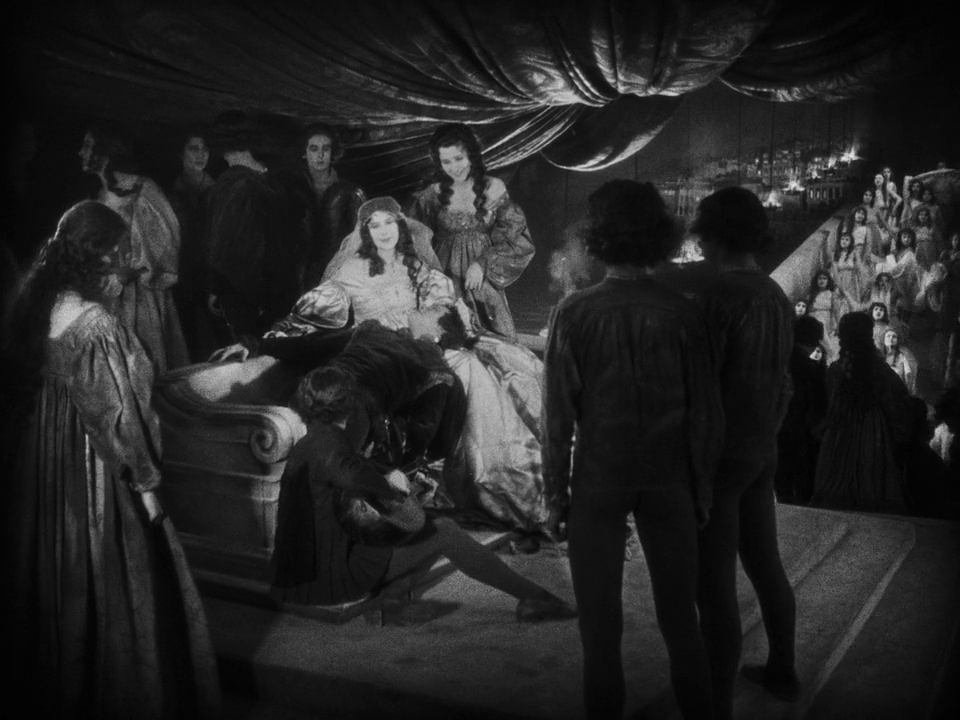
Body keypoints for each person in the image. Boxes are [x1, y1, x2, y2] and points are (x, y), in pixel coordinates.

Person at [0, 201, 220, 718]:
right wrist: (146, 487)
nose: (125, 261)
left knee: (53, 569)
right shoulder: (95, 323)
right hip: (93, 464)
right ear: (98, 255)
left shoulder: (38, 302)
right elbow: (118, 417)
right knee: (113, 570)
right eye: (120, 251)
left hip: (42, 460)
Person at [542, 179, 722, 720]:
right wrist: (702, 489)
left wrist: (555, 496)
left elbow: (558, 418)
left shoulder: (573, 312)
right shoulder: (683, 311)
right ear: (659, 234)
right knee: (681, 622)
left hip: (598, 478)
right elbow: (705, 414)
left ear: (597, 236)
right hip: (669, 478)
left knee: (599, 631)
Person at [270, 319, 578, 624]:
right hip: (328, 580)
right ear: (350, 410)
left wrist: (384, 482)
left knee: (422, 533)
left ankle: (392, 601)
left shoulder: (314, 443)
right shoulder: (337, 455)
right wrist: (394, 486)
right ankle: (536, 597)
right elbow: (409, 516)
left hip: (302, 574)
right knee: (442, 531)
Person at [685, 187, 798, 718]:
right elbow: (784, 382)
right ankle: (783, 671)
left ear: (715, 235)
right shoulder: (774, 294)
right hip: (761, 449)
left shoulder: (717, 297)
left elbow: (700, 388)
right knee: (765, 564)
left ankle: (716, 708)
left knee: (714, 588)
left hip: (721, 456)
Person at [79, 126, 189, 374]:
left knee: (146, 363)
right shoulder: (98, 194)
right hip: (106, 290)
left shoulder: (142, 188)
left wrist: (136, 269)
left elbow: (167, 237)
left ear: (105, 151)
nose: (80, 153)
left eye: (87, 146)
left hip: (141, 293)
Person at [408, 123, 534, 339]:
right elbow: (416, 241)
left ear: (472, 155)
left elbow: (516, 238)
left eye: (459, 158)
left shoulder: (493, 188)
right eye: (446, 161)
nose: (454, 167)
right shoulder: (431, 195)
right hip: (444, 279)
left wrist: (482, 263)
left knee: (491, 340)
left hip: (482, 280)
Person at [202, 110, 298, 344]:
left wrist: (215, 287)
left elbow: (224, 246)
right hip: (280, 288)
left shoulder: (231, 184)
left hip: (245, 291)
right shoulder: (272, 178)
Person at [812, 312, 913, 512]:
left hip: (841, 429)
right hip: (871, 430)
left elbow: (826, 404)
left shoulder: (837, 370)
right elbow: (897, 400)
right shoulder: (879, 370)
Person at [287, 122, 366, 292]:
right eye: (314, 149)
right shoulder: (293, 188)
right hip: (299, 271)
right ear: (304, 153)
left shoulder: (349, 192)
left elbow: (361, 238)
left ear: (333, 153)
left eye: (326, 149)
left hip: (338, 271)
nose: (320, 155)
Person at [167, 130, 216, 361]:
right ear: (181, 153)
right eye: (193, 149)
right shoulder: (170, 194)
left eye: (205, 149)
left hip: (212, 272)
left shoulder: (217, 190)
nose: (200, 155)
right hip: (183, 271)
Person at [775, 315, 828, 505]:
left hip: (784, 421)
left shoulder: (784, 358)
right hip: (801, 422)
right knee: (801, 466)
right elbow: (817, 395)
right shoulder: (806, 364)